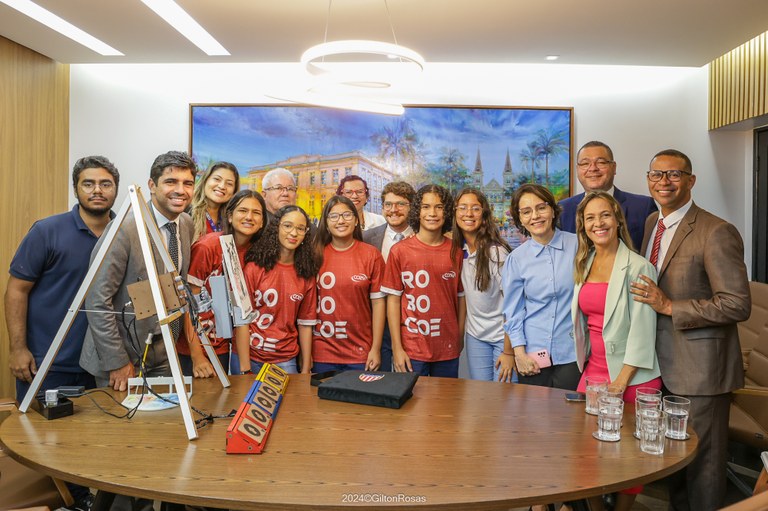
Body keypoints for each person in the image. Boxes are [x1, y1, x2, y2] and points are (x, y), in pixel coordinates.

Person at [632, 149, 751, 511]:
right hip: (662, 364)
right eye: (656, 174)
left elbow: (737, 303)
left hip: (702, 372)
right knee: (676, 461)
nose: (664, 182)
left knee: (704, 465)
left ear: (691, 180)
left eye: (674, 174)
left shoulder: (716, 231)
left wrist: (670, 306)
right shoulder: (654, 222)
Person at [5, 155, 119, 511]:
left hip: (102, 365)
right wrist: (18, 348)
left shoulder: (125, 233)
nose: (97, 191)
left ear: (116, 188)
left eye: (105, 184)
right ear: (76, 189)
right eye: (89, 183)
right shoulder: (47, 231)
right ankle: (71, 502)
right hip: (47, 361)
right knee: (47, 446)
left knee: (96, 445)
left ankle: (87, 501)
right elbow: (16, 290)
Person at [572, 191, 661, 511]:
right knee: (583, 453)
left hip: (632, 375)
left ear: (617, 219)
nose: (598, 223)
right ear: (582, 226)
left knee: (629, 460)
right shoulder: (585, 262)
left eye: (605, 215)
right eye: (590, 218)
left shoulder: (639, 267)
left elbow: (643, 330)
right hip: (594, 371)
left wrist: (620, 382)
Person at [80, 151, 196, 391]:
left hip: (162, 353)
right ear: (152, 185)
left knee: (162, 424)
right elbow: (97, 300)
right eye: (171, 182)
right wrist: (117, 361)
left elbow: (176, 286)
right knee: (124, 427)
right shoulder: (124, 229)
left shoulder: (185, 223)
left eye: (188, 183)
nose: (180, 190)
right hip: (122, 354)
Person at [381, 184, 465, 378]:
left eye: (439, 207)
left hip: (447, 346)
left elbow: (461, 298)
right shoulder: (399, 251)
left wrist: (459, 337)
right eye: (426, 207)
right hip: (412, 347)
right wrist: (397, 347)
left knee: (445, 404)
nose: (432, 213)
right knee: (411, 404)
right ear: (418, 212)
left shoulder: (456, 251)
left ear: (446, 212)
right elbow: (393, 301)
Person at [180, 190, 266, 377]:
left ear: (262, 222)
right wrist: (197, 356)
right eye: (242, 210)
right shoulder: (208, 247)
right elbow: (187, 304)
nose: (249, 217)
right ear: (229, 215)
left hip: (222, 343)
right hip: (194, 344)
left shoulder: (258, 253)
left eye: (256, 213)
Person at [502, 184, 580, 390]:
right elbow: (513, 312)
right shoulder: (516, 259)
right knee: (535, 419)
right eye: (526, 212)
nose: (535, 216)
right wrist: (519, 354)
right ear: (520, 219)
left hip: (572, 353)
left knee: (570, 418)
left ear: (553, 210)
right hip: (532, 356)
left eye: (541, 208)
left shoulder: (579, 245)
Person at [235, 205, 319, 374]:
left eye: (300, 228)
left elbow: (305, 324)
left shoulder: (306, 274)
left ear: (305, 234)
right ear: (276, 228)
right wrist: (245, 369)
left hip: (285, 358)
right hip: (249, 355)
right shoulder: (254, 268)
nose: (294, 233)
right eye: (288, 226)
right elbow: (242, 320)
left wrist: (304, 369)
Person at [312, 196, 386, 372]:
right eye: (334, 216)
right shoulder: (314, 255)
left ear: (356, 220)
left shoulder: (371, 255)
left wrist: (375, 349)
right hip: (322, 350)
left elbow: (378, 304)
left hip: (360, 351)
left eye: (346, 215)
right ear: (326, 223)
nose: (341, 221)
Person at [450, 187, 513, 382]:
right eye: (463, 208)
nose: (468, 213)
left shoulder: (497, 254)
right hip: (476, 337)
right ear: (455, 213)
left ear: (484, 214)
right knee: (481, 398)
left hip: (502, 338)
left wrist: (510, 351)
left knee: (505, 399)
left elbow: (514, 306)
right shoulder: (457, 250)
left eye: (475, 208)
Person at [559, 141, 656, 250]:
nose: (593, 168)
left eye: (601, 162)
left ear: (614, 167)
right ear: (577, 169)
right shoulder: (563, 209)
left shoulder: (643, 206)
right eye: (585, 164)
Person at [363, 181, 416, 370]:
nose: (393, 210)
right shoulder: (367, 238)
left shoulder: (423, 236)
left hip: (413, 322)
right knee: (381, 378)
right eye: (388, 204)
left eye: (400, 204)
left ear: (412, 207)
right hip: (377, 322)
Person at [189, 161, 240, 242]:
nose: (222, 186)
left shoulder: (231, 218)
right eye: (217, 179)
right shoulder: (187, 212)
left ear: (234, 191)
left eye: (229, 184)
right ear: (205, 180)